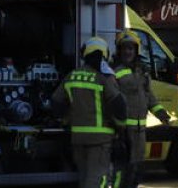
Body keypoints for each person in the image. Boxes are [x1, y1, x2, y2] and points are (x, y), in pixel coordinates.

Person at [51, 37, 127, 188]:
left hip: (78, 139)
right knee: (96, 180)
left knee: (84, 179)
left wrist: (65, 120)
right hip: (100, 140)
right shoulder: (103, 78)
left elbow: (56, 102)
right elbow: (118, 104)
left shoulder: (72, 76)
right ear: (104, 55)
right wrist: (121, 127)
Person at [112, 31, 172, 188]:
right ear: (119, 51)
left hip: (140, 131)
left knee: (137, 170)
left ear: (136, 50)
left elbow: (149, 96)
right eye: (124, 48)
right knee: (122, 170)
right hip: (123, 131)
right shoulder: (114, 72)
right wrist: (116, 128)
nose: (128, 52)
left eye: (131, 48)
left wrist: (161, 113)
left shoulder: (142, 72)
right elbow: (111, 100)